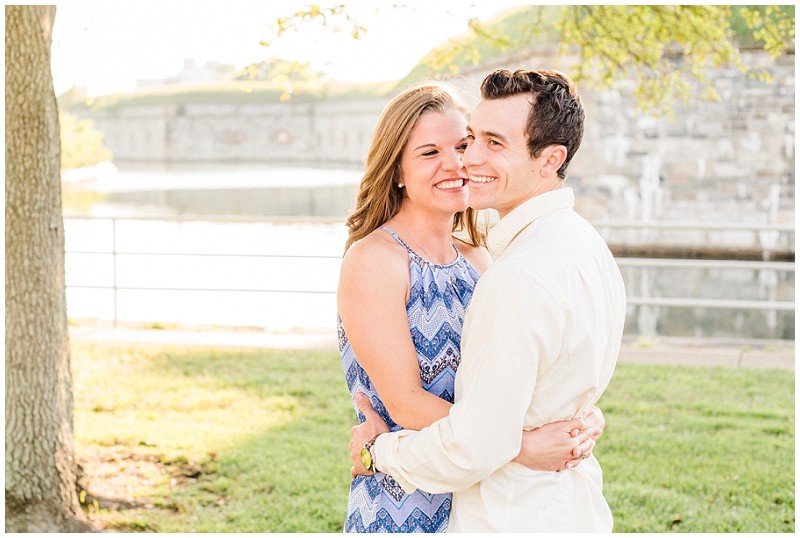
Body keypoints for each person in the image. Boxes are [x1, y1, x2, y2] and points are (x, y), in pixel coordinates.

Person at [349, 69, 627, 533]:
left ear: (549, 159)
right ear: (395, 168)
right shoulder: (379, 259)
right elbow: (410, 404)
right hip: (409, 497)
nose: (464, 161)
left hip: (498, 493)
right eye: (433, 151)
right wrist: (523, 444)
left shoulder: (491, 260)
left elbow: (535, 384)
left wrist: (574, 420)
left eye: (478, 144)